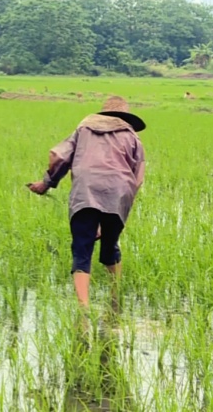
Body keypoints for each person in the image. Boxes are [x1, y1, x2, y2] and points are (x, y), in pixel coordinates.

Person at [27, 96, 146, 311]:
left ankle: (83, 307)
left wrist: (46, 183)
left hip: (85, 193)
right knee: (110, 246)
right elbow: (138, 178)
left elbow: (59, 156)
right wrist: (121, 205)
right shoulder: (133, 138)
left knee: (82, 249)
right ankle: (115, 295)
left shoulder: (84, 129)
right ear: (126, 117)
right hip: (118, 195)